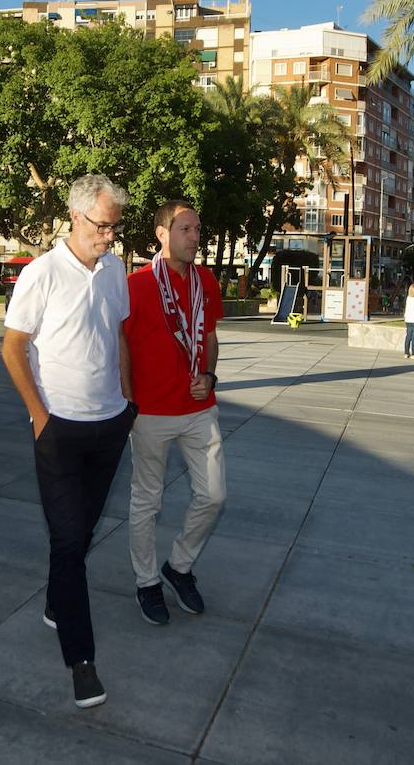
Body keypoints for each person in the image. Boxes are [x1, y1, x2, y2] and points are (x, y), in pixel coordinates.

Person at [1, 174, 136, 710]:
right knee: (67, 542)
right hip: (59, 427)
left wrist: (128, 400)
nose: (110, 236)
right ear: (77, 217)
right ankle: (81, 661)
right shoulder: (40, 274)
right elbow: (12, 349)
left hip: (109, 424)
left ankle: (59, 600)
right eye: (103, 226)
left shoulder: (116, 270)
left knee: (79, 536)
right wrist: (39, 415)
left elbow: (119, 333)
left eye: (114, 227)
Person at [123, 200, 226, 627]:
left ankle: (178, 567)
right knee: (147, 501)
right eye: (186, 229)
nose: (195, 237)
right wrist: (128, 402)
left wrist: (209, 374)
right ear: (162, 233)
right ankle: (147, 581)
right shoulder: (136, 284)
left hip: (199, 408)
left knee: (214, 495)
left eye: (198, 229)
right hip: (150, 412)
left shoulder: (206, 280)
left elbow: (210, 335)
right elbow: (122, 348)